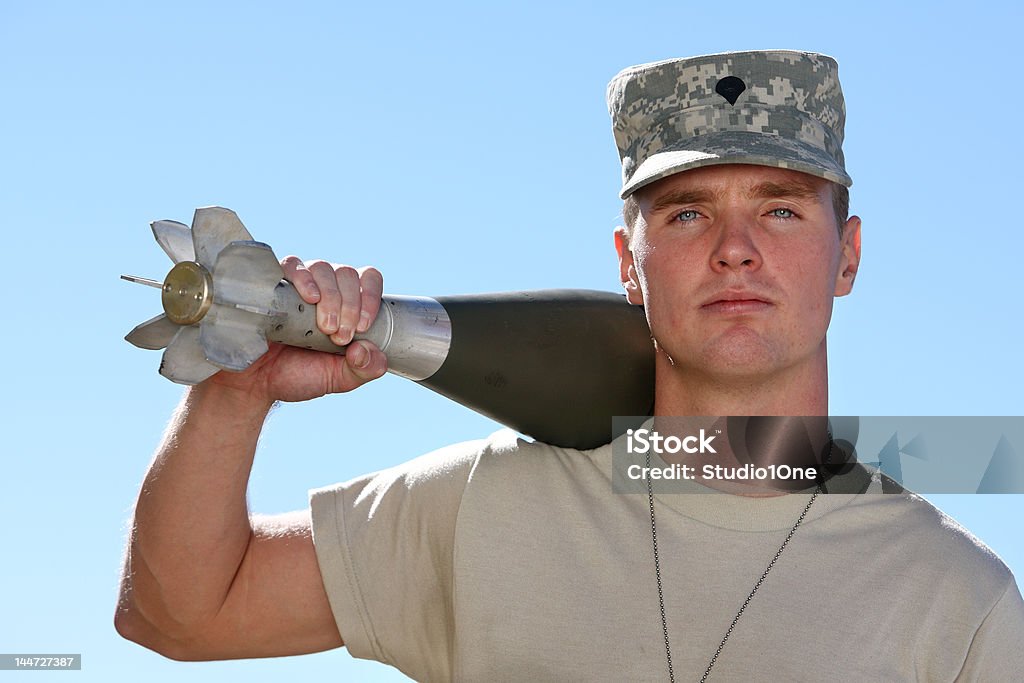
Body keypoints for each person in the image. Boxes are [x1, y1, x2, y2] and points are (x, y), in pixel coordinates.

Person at [115, 51, 1024, 681]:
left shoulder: (957, 601)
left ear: (849, 254)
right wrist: (239, 391)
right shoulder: (488, 505)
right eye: (686, 214)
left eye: (782, 210)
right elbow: (177, 612)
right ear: (628, 264)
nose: (736, 249)